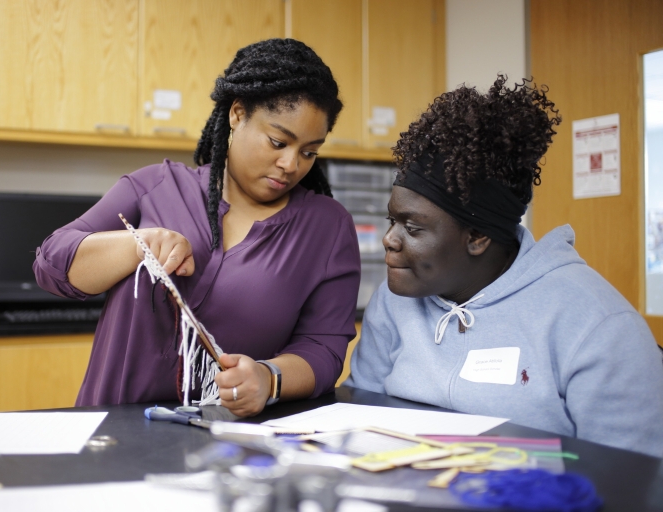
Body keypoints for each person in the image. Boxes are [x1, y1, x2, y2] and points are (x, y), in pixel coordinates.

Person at [34, 39, 360, 417]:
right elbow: (51, 264)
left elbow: (324, 349)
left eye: (308, 152)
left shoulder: (327, 227)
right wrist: (139, 245)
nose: (290, 164)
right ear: (237, 114)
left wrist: (269, 378)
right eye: (277, 141)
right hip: (110, 429)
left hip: (226, 442)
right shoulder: (155, 187)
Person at [346, 76, 663, 458]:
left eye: (413, 228)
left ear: (477, 238)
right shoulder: (395, 301)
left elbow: (633, 479)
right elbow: (356, 419)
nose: (390, 240)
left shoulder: (599, 326)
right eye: (391, 221)